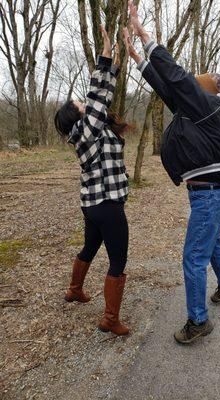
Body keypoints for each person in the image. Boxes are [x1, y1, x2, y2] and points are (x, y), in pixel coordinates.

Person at [123, 2, 220, 344]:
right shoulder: (196, 113)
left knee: (192, 257)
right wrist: (138, 59)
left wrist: (145, 35)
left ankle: (198, 321)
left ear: (199, 93)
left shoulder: (205, 106)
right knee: (212, 238)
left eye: (192, 88)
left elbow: (175, 76)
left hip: (209, 196)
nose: (185, 91)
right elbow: (166, 87)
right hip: (213, 194)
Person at [54, 26, 130, 336]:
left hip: (91, 205)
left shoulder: (86, 132)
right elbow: (98, 94)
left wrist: (114, 64)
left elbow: (100, 96)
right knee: (118, 260)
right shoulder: (87, 130)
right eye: (79, 105)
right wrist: (106, 52)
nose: (84, 105)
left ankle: (74, 289)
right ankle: (110, 320)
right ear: (76, 115)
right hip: (107, 205)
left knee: (89, 246)